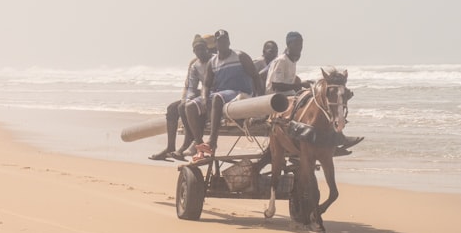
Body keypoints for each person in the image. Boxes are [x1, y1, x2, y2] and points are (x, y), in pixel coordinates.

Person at [265, 31, 363, 151]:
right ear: (289, 44)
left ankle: (334, 135)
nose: (300, 47)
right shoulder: (282, 60)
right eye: (296, 44)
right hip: (276, 97)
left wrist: (302, 84)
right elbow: (276, 85)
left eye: (301, 44)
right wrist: (299, 85)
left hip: (288, 93)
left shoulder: (292, 60)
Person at [184, 30, 260, 160]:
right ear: (215, 44)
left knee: (217, 98)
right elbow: (206, 84)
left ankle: (212, 141)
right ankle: (200, 145)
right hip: (222, 93)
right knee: (189, 106)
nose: (223, 44)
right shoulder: (213, 62)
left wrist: (258, 99)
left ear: (229, 42)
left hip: (240, 92)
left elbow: (256, 77)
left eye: (225, 41)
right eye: (220, 41)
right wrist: (203, 98)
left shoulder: (240, 56)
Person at [149, 34, 214, 161]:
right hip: (199, 94)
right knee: (175, 108)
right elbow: (189, 85)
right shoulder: (195, 63)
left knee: (189, 108)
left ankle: (189, 144)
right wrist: (186, 100)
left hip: (212, 94)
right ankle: (171, 147)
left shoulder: (216, 60)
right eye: (197, 49)